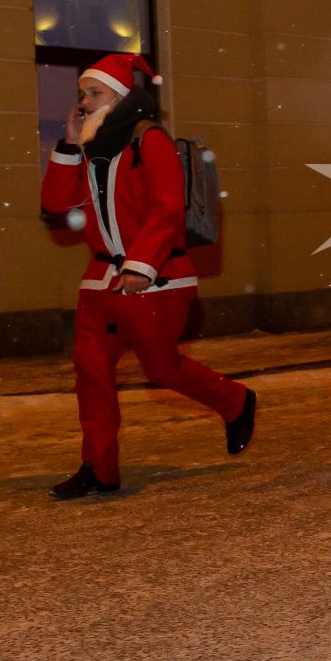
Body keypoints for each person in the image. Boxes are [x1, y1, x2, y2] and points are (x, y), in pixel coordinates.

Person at [40, 53, 256, 499]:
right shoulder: (90, 144)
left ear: (117, 97)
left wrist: (141, 264)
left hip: (154, 277)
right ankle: (98, 467)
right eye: (83, 93)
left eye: (93, 93)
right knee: (91, 370)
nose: (84, 101)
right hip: (101, 280)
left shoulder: (148, 140)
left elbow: (167, 207)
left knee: (162, 368)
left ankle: (235, 401)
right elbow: (58, 209)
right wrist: (65, 147)